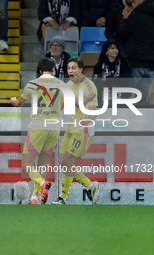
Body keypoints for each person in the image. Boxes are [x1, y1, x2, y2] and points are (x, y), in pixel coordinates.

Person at [11, 58, 66, 204]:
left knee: (27, 163)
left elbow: (18, 103)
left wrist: (12, 100)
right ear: (54, 70)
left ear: (40, 71)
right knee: (43, 162)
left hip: (37, 126)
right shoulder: (61, 84)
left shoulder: (32, 84)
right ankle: (35, 197)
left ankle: (42, 183)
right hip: (54, 127)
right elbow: (63, 105)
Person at [52, 57, 99, 205]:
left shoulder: (89, 87)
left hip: (83, 130)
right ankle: (91, 186)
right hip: (71, 127)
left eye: (73, 68)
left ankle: (63, 197)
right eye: (68, 68)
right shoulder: (68, 85)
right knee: (63, 162)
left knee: (67, 161)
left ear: (80, 70)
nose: (70, 71)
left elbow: (93, 110)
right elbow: (61, 103)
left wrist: (84, 124)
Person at [118, 0, 154, 103]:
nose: (132, 3)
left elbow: (122, 36)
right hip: (151, 65)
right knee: (143, 100)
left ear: (137, 2)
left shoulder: (135, 16)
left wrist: (125, 20)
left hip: (136, 63)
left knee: (129, 100)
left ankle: (128, 119)